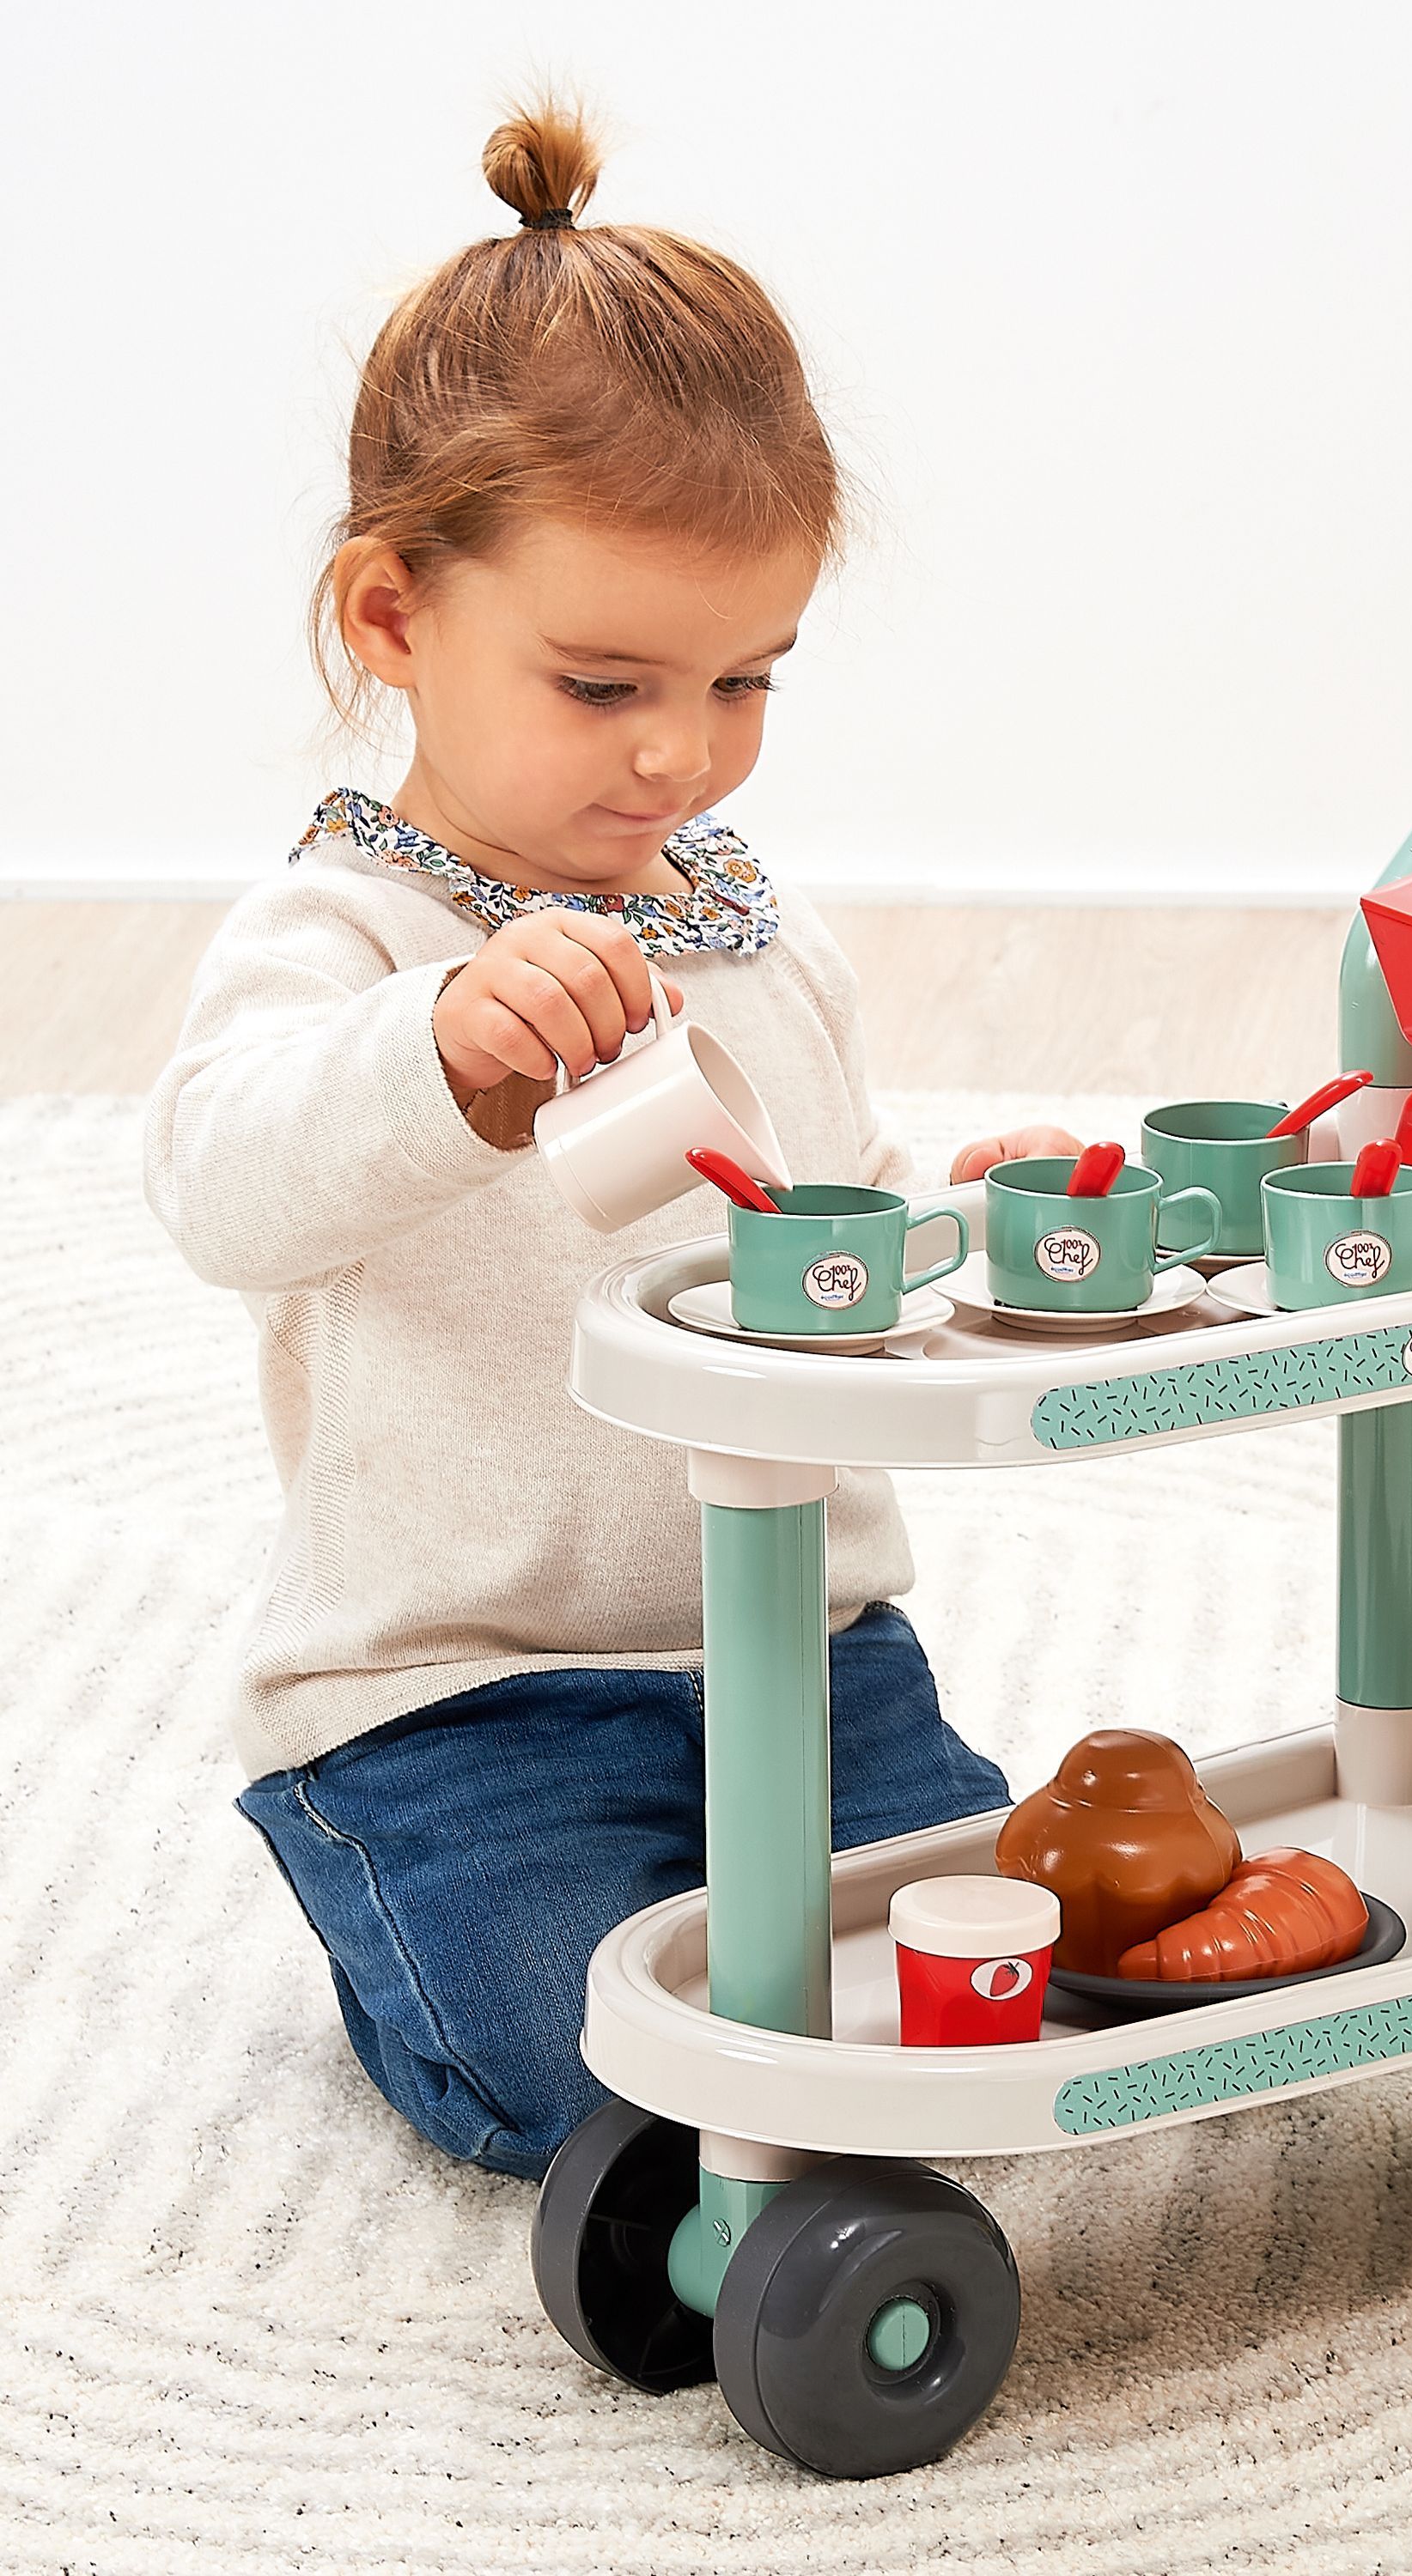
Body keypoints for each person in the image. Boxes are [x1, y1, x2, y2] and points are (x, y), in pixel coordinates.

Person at [143, 100, 1069, 2181]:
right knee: (610, 2075)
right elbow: (220, 1186)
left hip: (813, 1667)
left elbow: (818, 1248)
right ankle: (436, 1965)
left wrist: (963, 1229)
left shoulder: (753, 925)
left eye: (746, 679)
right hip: (472, 1708)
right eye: (602, 682)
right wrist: (437, 1064)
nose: (682, 751)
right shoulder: (351, 933)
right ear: (392, 618)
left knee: (1005, 1988)